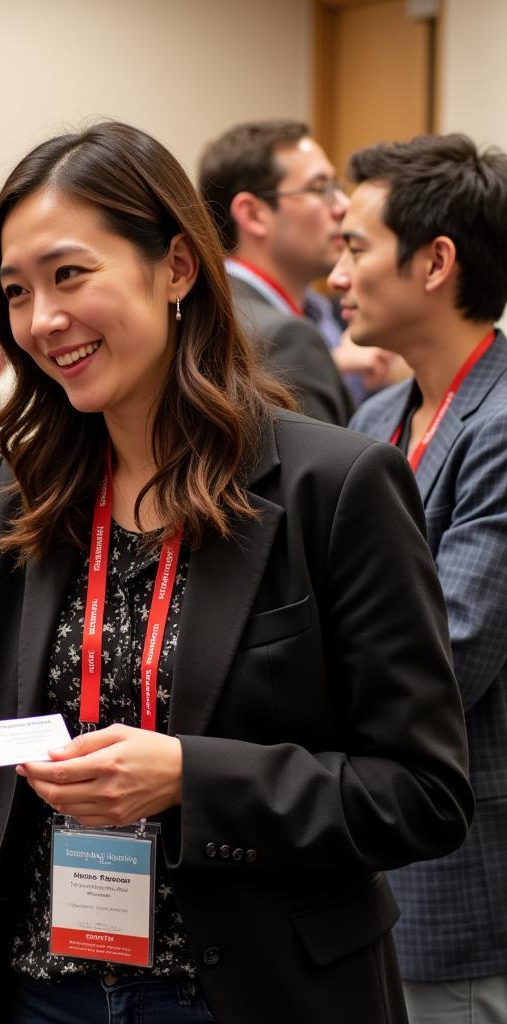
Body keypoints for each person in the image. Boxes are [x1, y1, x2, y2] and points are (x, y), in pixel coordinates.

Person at [0, 121, 472, 1024]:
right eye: (15, 291)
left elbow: (422, 794)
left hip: (248, 990)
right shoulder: (25, 493)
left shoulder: (333, 487)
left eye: (70, 275)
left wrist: (193, 774)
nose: (42, 321)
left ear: (178, 268)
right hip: (44, 989)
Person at [333, 133, 507, 1024]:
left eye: (355, 246)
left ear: (435, 261)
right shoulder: (375, 416)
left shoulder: (502, 421)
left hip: (463, 871)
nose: (337, 275)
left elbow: (455, 650)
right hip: (364, 863)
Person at [199, 119, 397, 418]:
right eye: (321, 189)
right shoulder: (266, 335)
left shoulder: (327, 314)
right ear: (253, 214)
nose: (343, 205)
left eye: (338, 188)